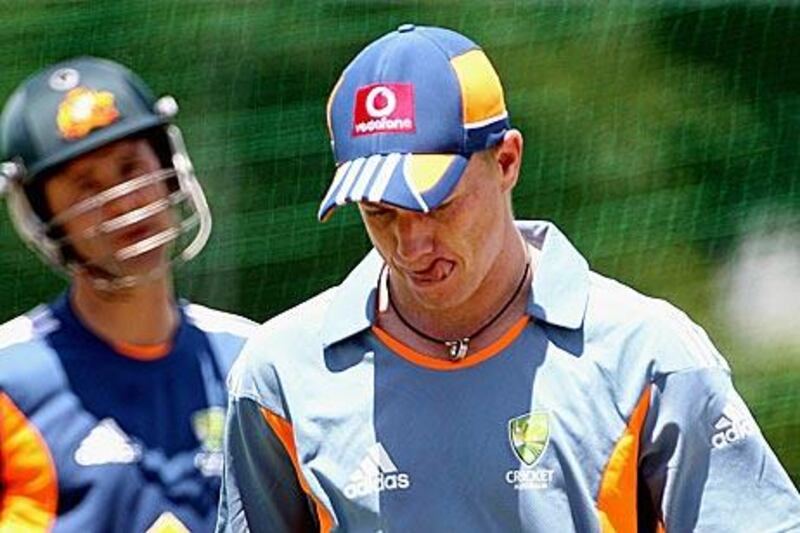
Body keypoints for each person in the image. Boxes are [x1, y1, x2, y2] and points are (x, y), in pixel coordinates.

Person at [216, 25, 800, 532]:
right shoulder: (279, 376)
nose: (411, 244)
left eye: (438, 203)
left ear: (506, 162)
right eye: (380, 213)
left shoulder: (648, 356)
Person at [0, 57, 256, 532]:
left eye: (130, 167)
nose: (122, 200)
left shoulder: (254, 362)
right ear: (40, 215)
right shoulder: (9, 381)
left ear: (169, 169)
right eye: (86, 186)